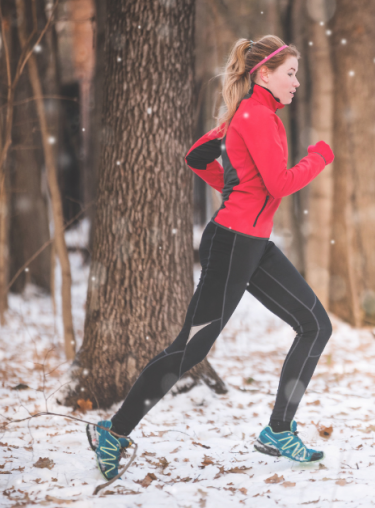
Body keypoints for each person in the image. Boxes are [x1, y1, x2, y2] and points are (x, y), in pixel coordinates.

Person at [87, 35, 334, 480]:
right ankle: (114, 431)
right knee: (189, 348)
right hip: (232, 245)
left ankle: (278, 431)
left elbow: (197, 155)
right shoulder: (256, 116)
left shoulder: (255, 115)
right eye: (291, 73)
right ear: (264, 73)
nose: (297, 82)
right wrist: (317, 158)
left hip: (253, 243)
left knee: (316, 325)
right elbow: (278, 184)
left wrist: (232, 181)